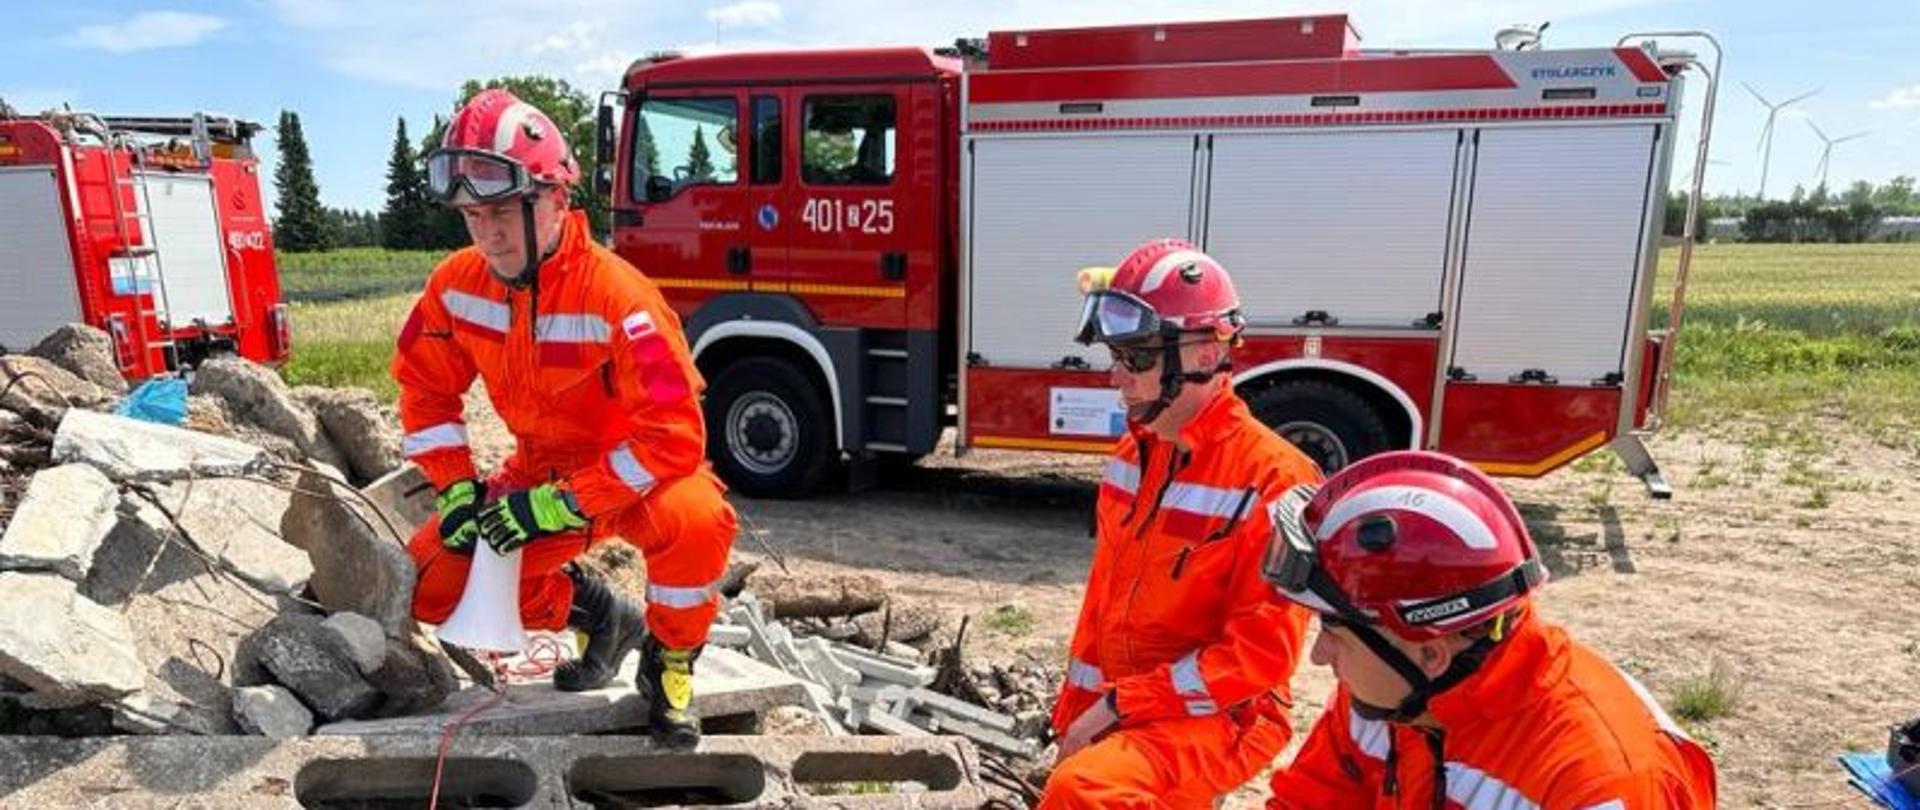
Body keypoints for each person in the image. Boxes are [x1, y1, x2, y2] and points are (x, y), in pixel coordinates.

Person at [392, 88, 735, 747]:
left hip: (633, 477)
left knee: (697, 519)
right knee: (434, 583)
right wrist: (458, 488)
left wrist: (562, 506)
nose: (486, 234)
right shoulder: (456, 285)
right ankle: (600, 613)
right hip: (538, 471)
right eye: (470, 216)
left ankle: (669, 661)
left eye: (499, 212)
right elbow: (424, 389)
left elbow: (674, 435)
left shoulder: (620, 296)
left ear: (554, 198)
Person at [1261, 450, 1718, 808]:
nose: (1319, 655)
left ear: (1432, 651)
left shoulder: (1601, 782)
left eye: (1334, 631)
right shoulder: (1393, 689)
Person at [1040, 238, 1322, 808]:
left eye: (1137, 357)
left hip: (1227, 712)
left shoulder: (1272, 481)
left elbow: (1256, 659)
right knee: (1072, 778)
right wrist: (1075, 716)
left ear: (1202, 354)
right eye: (1115, 356)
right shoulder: (1131, 458)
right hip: (1136, 701)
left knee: (1085, 794)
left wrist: (1119, 707)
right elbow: (1102, 608)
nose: (1117, 376)